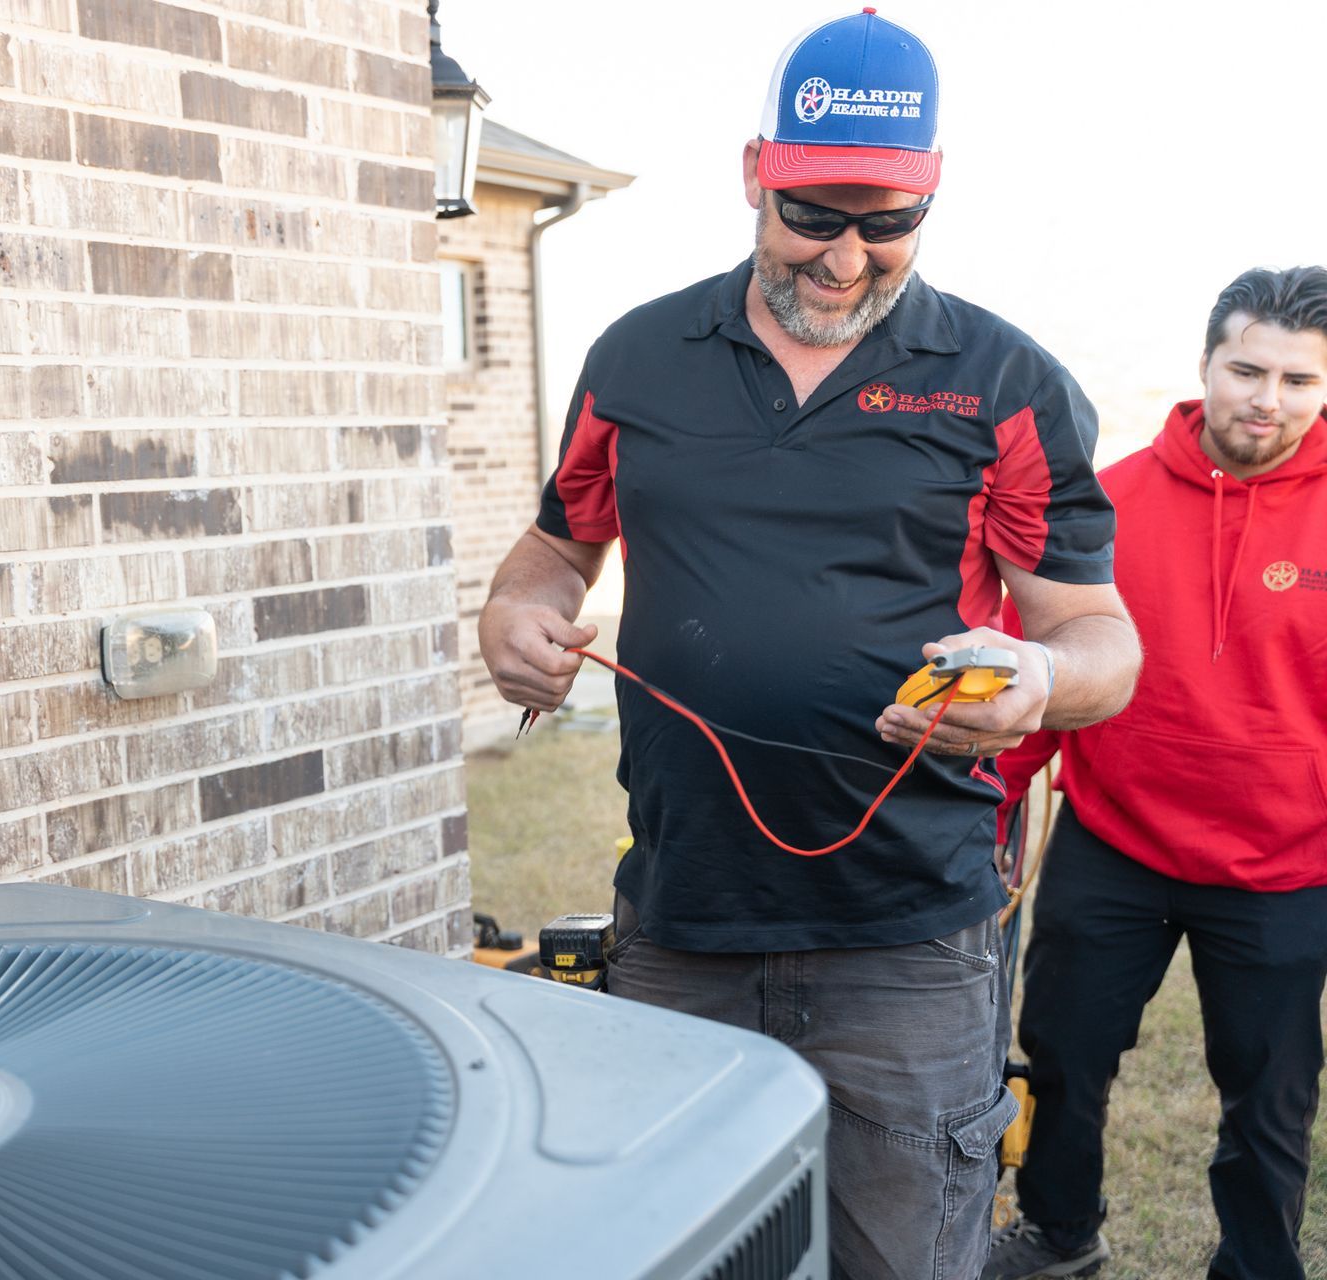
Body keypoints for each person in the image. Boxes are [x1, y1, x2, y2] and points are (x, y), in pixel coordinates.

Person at [477, 10, 1143, 1278]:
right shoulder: (636, 357)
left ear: (929, 201)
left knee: (901, 1256)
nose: (846, 257)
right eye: (816, 213)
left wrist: (1043, 682)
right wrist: (514, 615)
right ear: (754, 173)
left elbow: (1100, 635)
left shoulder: (1006, 379)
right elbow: (557, 548)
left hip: (907, 938)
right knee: (693, 1251)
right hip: (680, 920)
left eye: (887, 222)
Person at [984, 268, 1327, 1280]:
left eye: (1300, 381)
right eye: (1248, 368)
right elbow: (1040, 667)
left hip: (1284, 863)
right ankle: (1058, 1232)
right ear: (1206, 366)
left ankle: (1259, 1263)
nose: (1269, 398)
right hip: (1116, 839)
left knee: (1270, 1089)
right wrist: (993, 807)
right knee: (1062, 1052)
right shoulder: (1112, 500)